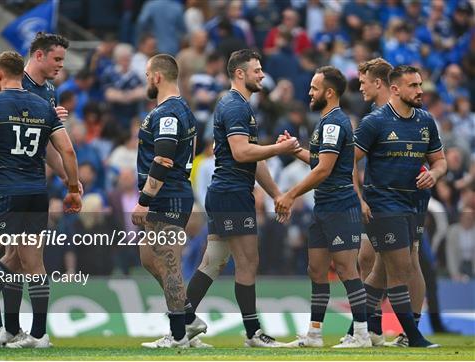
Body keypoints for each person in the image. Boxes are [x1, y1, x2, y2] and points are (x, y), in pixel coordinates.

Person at [0, 32, 78, 345]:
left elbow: (47, 146)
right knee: (16, 259)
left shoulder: (47, 93)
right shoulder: (20, 88)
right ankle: (6, 327)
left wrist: (66, 178)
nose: (60, 66)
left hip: (15, 185)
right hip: (27, 188)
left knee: (8, 258)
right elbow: (59, 146)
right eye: (57, 59)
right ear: (38, 56)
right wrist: (71, 177)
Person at [183, 49, 299, 348]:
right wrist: (278, 149)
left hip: (227, 193)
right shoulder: (235, 106)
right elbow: (242, 153)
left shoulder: (242, 106)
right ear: (240, 73)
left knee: (213, 262)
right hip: (232, 194)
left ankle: (180, 323)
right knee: (248, 261)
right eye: (257, 70)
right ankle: (252, 333)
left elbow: (254, 157)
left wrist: (276, 194)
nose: (262, 75)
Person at [274, 66, 371, 348]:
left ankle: (362, 335)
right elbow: (321, 163)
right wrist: (295, 150)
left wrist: (290, 195)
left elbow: (323, 171)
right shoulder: (326, 121)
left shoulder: (332, 123)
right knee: (316, 269)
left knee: (345, 269)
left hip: (341, 206)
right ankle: (315, 334)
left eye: (314, 88)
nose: (309, 92)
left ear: (329, 92)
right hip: (324, 206)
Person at [353, 65, 446, 348]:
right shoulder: (375, 122)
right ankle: (413, 336)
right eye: (413, 86)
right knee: (402, 266)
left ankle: (358, 328)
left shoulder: (426, 121)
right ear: (395, 89)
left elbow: (439, 161)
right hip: (383, 202)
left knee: (383, 270)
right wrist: (360, 200)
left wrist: (435, 174)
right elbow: (348, 164)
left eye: (420, 85)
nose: (420, 91)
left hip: (415, 203)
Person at [131, 54, 196, 348]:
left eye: (147, 75)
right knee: (149, 260)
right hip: (165, 196)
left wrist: (145, 199)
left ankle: (179, 334)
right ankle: (190, 318)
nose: (147, 80)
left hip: (166, 197)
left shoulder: (168, 114)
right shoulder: (175, 109)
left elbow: (164, 158)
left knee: (169, 263)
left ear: (157, 77)